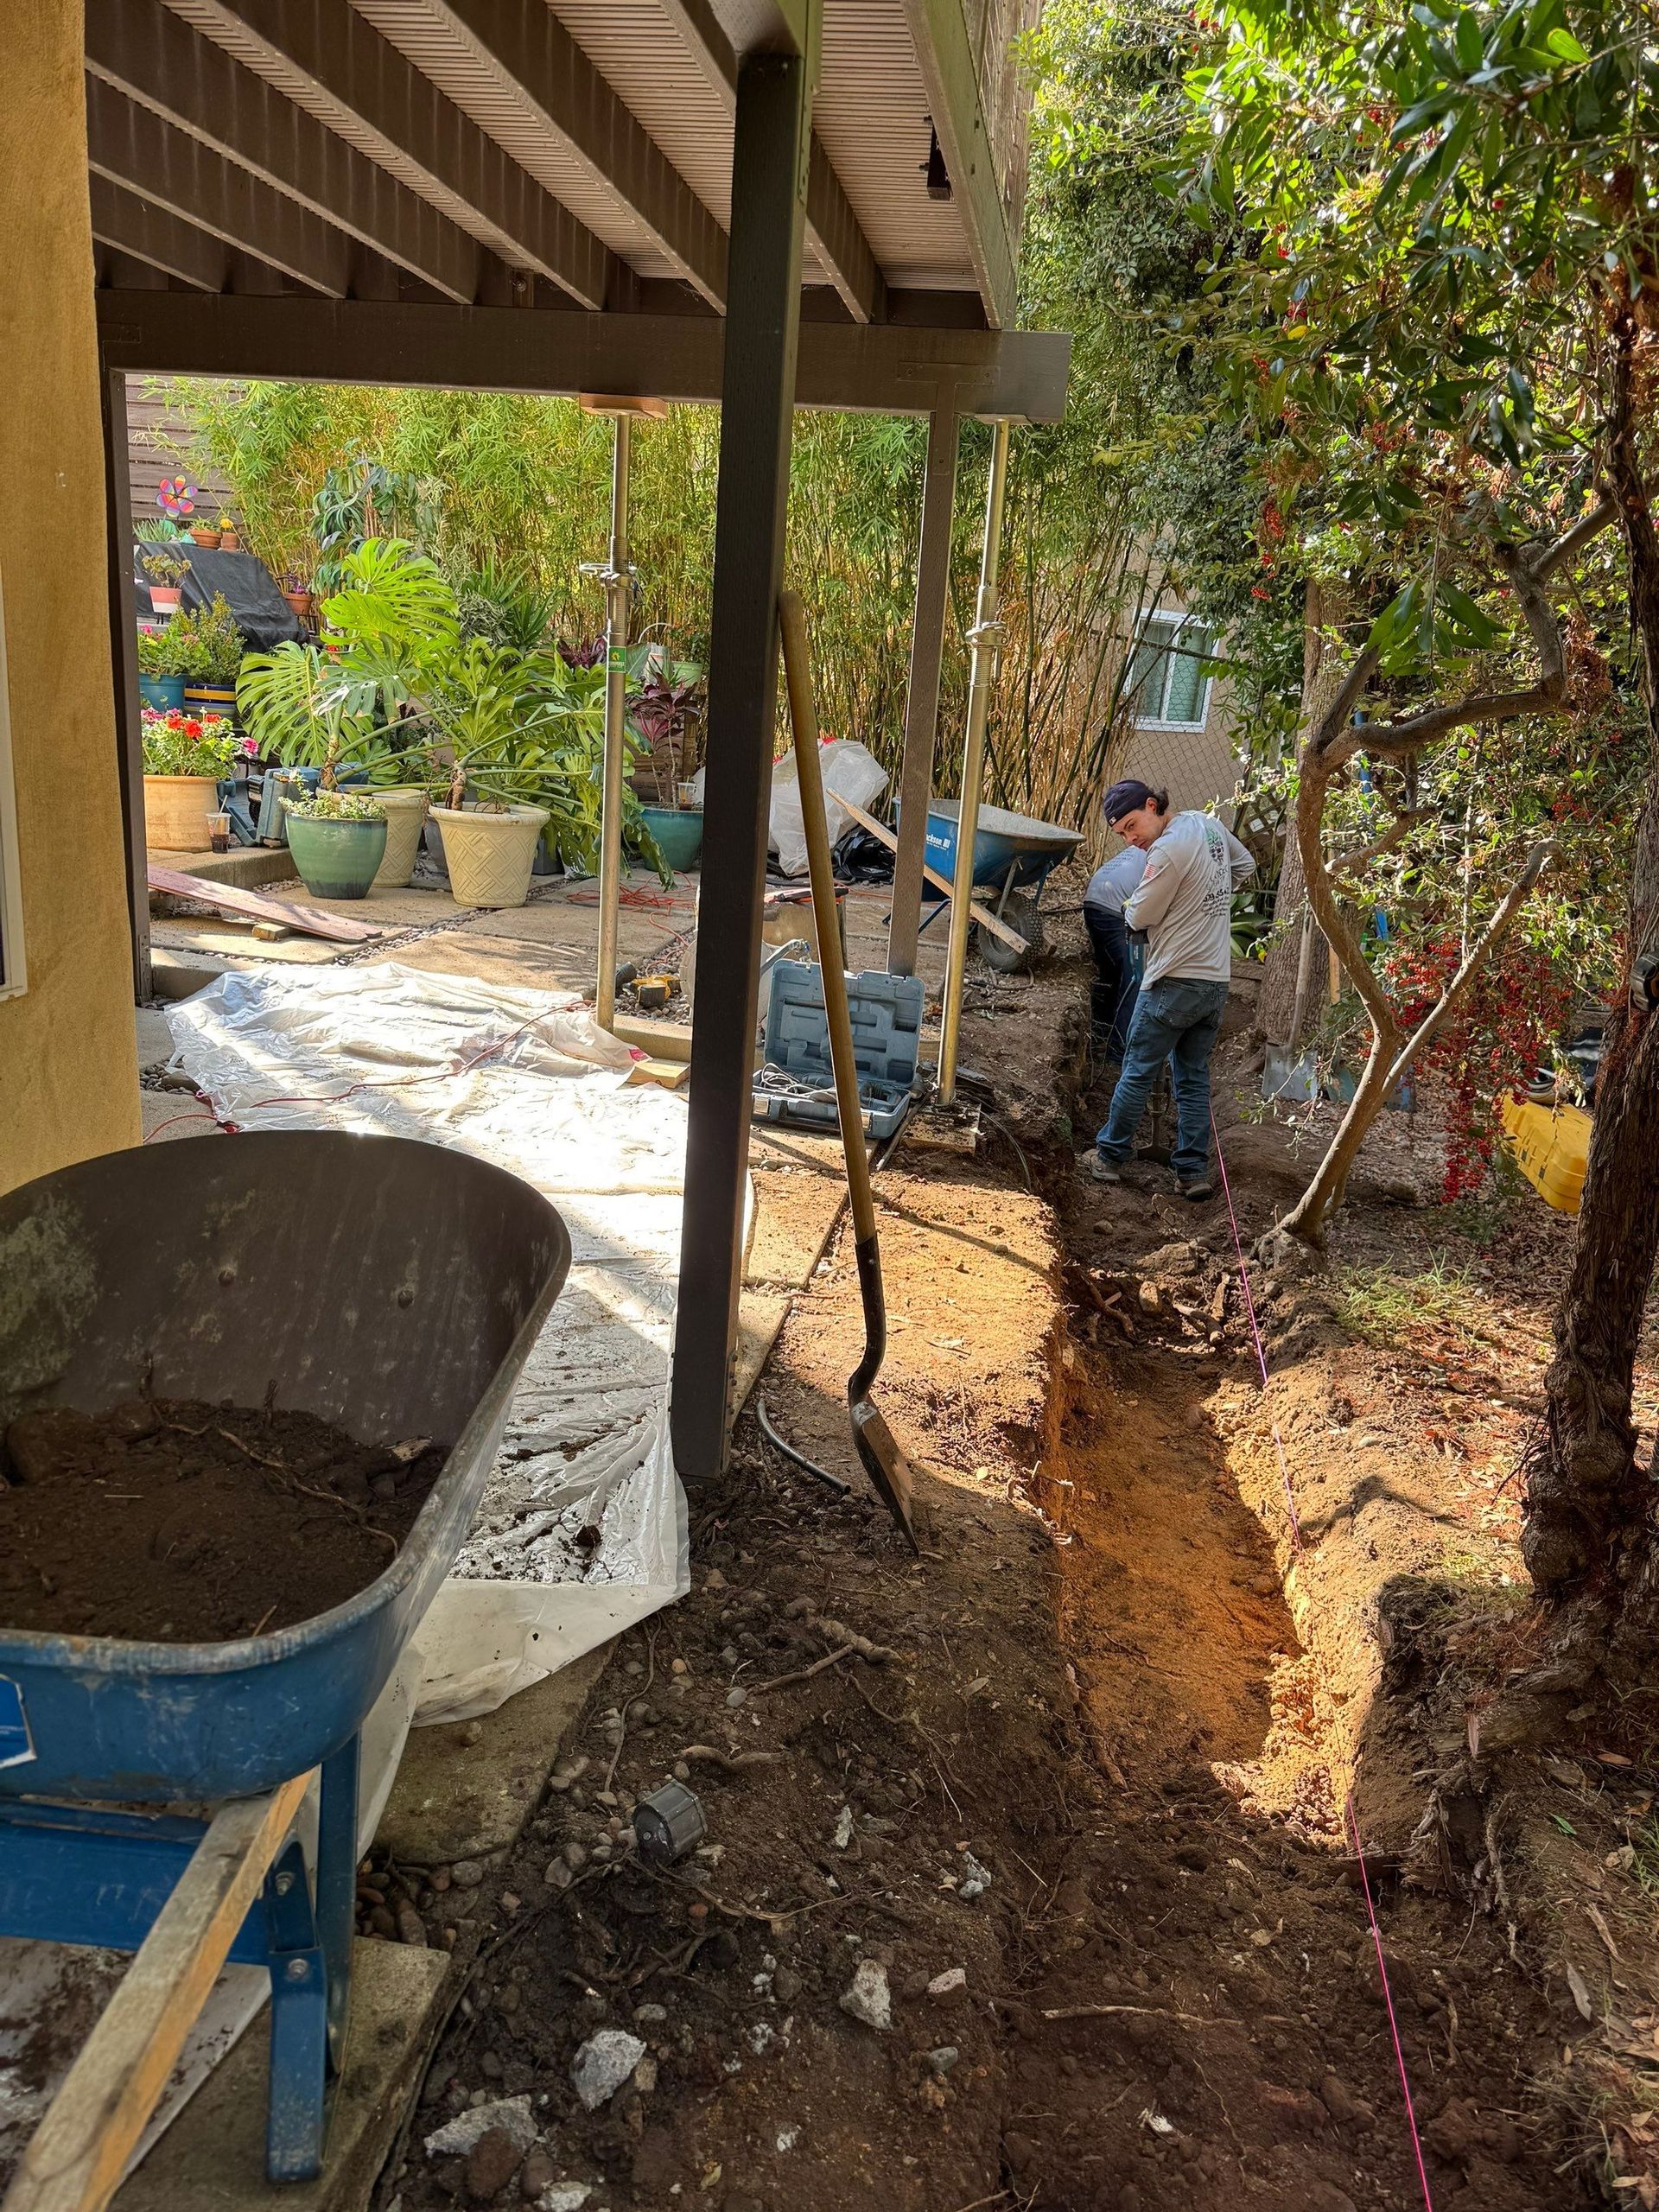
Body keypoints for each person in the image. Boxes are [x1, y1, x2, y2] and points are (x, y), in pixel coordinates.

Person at [1089, 779, 1255, 1201]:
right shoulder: (1208, 825)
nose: (1131, 839)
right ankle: (1192, 1171)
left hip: (1173, 980)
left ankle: (1108, 1157)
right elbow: (1244, 865)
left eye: (1131, 825)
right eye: (1122, 834)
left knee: (1138, 1067)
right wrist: (1201, 901)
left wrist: (1146, 915)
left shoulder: (1166, 850)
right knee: (1193, 1077)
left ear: (1152, 805)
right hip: (1215, 981)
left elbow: (1140, 913)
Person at [1081, 838, 1148, 1063]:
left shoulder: (1149, 845)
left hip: (1095, 904)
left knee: (1114, 975)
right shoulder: (1164, 851)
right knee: (1134, 980)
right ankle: (1118, 1051)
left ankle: (1101, 1032)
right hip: (1113, 911)